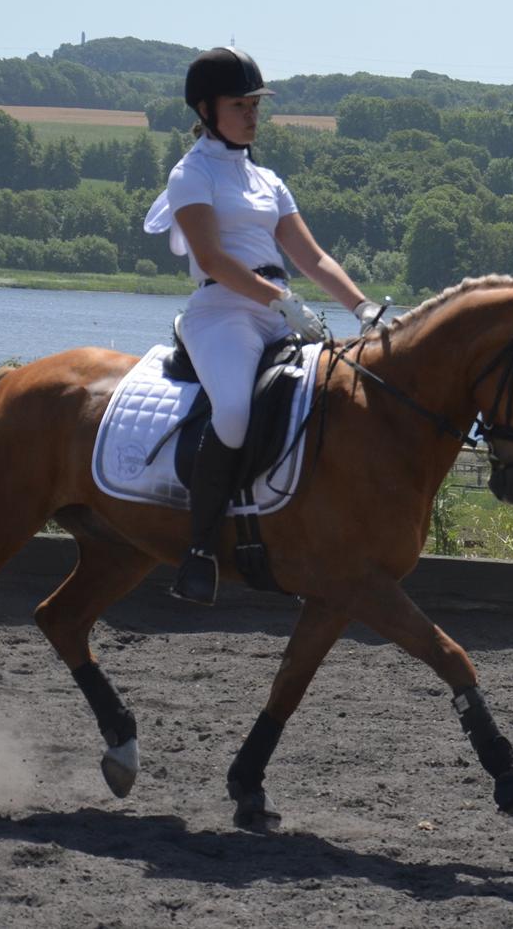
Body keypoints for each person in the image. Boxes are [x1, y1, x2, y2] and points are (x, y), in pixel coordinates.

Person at [145, 46, 387, 605]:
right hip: (221, 313)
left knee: (327, 400)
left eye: (255, 104)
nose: (253, 114)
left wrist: (362, 308)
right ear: (206, 109)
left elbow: (314, 258)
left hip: (276, 312)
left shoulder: (266, 180)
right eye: (240, 104)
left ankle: (306, 537)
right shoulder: (191, 174)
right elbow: (211, 259)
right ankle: (200, 550)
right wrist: (279, 302)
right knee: (232, 411)